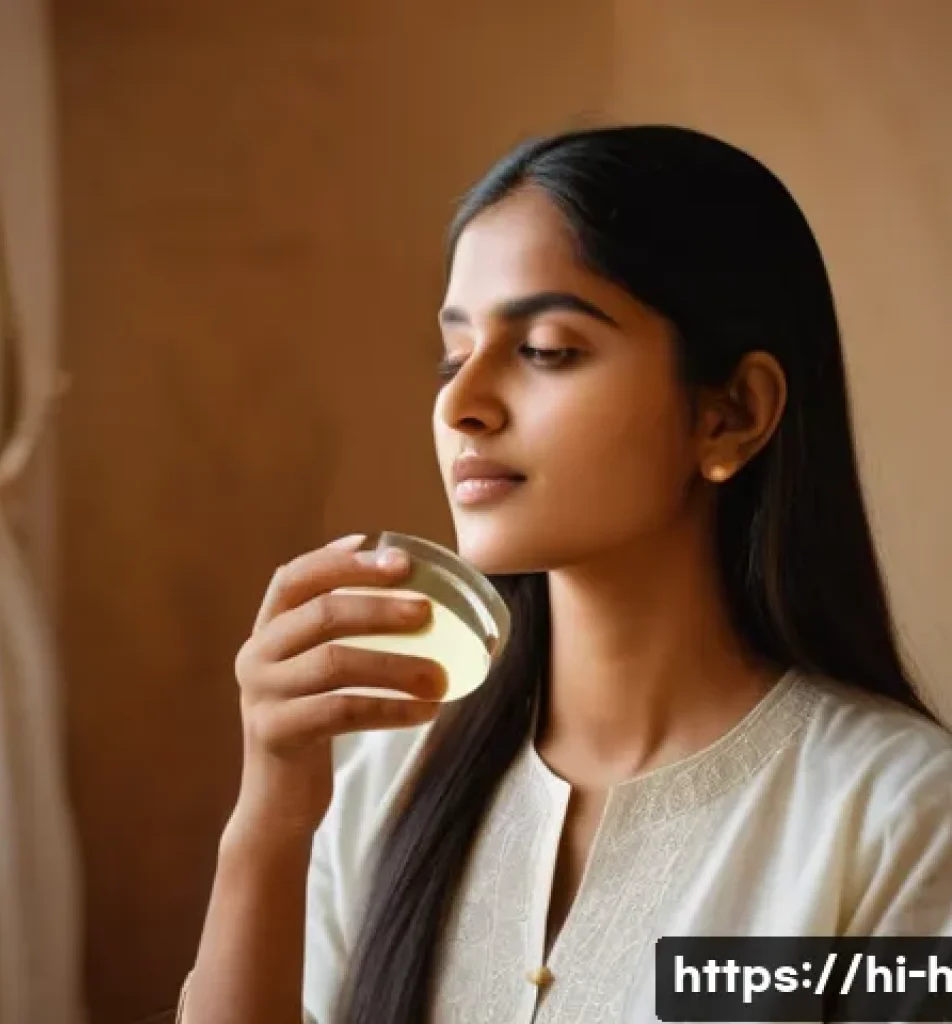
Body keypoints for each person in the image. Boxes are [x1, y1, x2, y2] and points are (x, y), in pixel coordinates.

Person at [178, 125, 952, 1024]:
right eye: (452, 355)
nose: (461, 406)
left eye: (545, 349)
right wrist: (269, 822)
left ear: (731, 414)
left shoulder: (902, 818)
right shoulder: (381, 778)